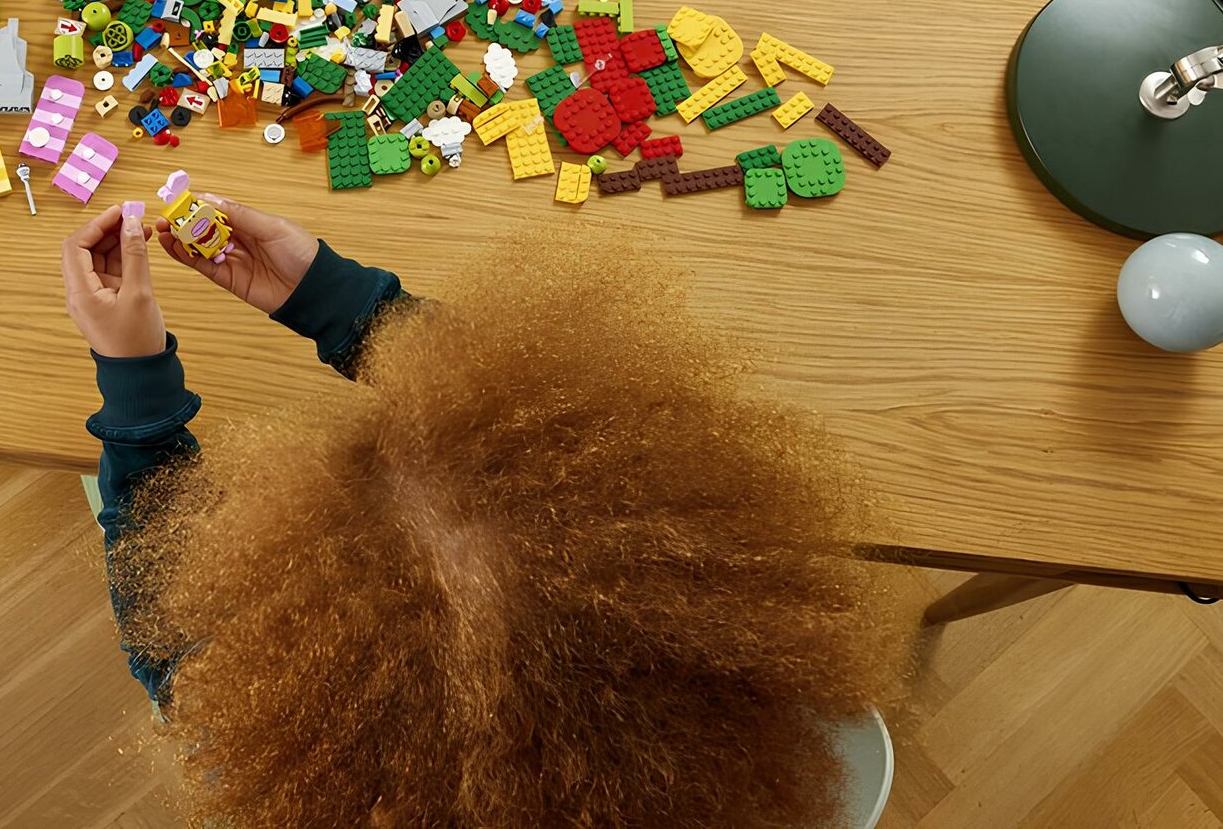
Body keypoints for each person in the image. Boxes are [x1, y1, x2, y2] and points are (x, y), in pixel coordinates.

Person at [62, 198, 911, 828]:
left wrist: (140, 393)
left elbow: (171, 632)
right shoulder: (746, 706)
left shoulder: (287, 759)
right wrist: (339, 303)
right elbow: (573, 419)